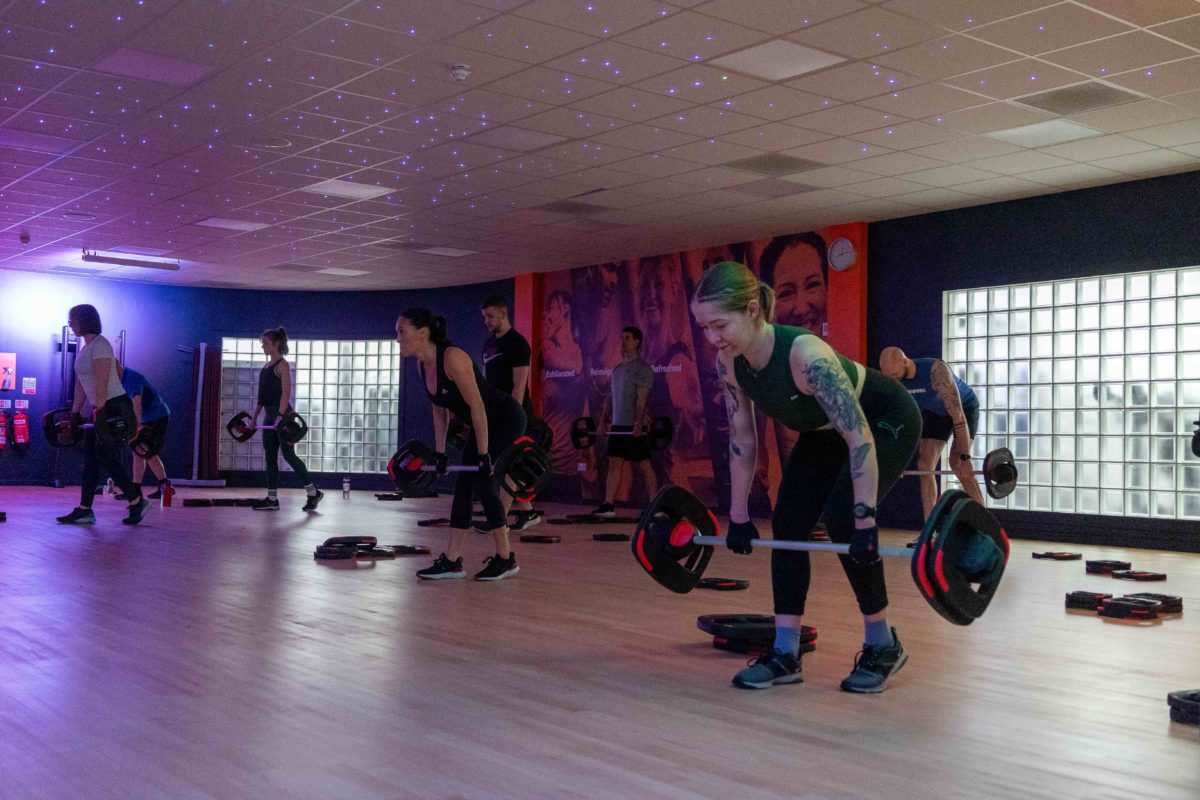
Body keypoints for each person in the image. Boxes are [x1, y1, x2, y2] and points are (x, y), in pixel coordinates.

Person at [691, 262, 920, 693]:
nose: (712, 338)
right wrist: (738, 516)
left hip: (883, 420)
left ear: (754, 310)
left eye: (719, 324)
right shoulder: (730, 363)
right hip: (824, 431)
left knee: (843, 519)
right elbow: (742, 439)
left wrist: (866, 520)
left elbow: (861, 440)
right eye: (704, 328)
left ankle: (882, 642)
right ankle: (785, 653)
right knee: (788, 522)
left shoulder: (806, 356)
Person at [397, 308, 525, 581]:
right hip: (484, 423)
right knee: (464, 487)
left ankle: (506, 558)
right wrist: (441, 452)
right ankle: (453, 561)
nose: (398, 339)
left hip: (504, 419)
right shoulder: (422, 365)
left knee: (482, 482)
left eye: (401, 332)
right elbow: (439, 410)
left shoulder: (453, 358)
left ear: (422, 333)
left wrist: (483, 454)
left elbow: (478, 406)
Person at [56, 304, 150, 526]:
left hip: (114, 406)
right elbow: (81, 383)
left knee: (105, 457)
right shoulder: (86, 348)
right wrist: (75, 412)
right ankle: (85, 509)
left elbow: (102, 379)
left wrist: (100, 408)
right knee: (90, 458)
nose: (70, 323)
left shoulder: (101, 345)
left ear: (85, 320)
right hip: (101, 407)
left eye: (73, 319)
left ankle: (137, 501)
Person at [879, 347, 984, 523]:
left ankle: (984, 524)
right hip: (936, 412)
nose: (892, 380)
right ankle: (931, 528)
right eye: (888, 376)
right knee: (924, 464)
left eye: (893, 374)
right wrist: (895, 461)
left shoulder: (936, 372)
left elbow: (958, 416)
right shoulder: (898, 381)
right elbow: (900, 424)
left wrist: (965, 456)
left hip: (963, 409)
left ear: (905, 361)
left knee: (958, 463)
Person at [479, 295, 541, 532]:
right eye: (485, 317)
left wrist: (512, 419)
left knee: (507, 468)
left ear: (503, 315)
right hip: (496, 415)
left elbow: (519, 384)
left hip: (516, 415)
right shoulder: (488, 344)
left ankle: (499, 521)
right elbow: (486, 381)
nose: (487, 321)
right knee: (504, 467)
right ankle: (528, 511)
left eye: (490, 316)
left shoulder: (517, 344)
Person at [247, 327, 323, 512]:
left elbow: (286, 392)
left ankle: (313, 493)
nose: (262, 346)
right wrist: (254, 419)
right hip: (268, 414)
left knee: (288, 455)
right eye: (262, 343)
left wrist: (280, 416)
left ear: (276, 344)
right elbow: (261, 398)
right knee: (270, 457)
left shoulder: (282, 364)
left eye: (265, 343)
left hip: (283, 415)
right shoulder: (265, 368)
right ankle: (272, 499)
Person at [591, 326, 656, 516]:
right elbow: (610, 398)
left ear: (637, 342)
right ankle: (608, 505)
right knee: (614, 464)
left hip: (634, 425)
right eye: (622, 337)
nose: (623, 341)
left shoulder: (643, 369)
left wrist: (638, 423)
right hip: (618, 426)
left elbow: (642, 398)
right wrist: (604, 422)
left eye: (627, 338)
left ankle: (655, 505)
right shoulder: (617, 370)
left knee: (644, 466)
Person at [114, 363, 171, 501]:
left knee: (146, 451)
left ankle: (165, 486)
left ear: (116, 368)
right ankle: (138, 489)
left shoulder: (132, 379)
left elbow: (137, 406)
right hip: (146, 417)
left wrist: (135, 428)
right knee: (138, 452)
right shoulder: (120, 379)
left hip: (157, 416)